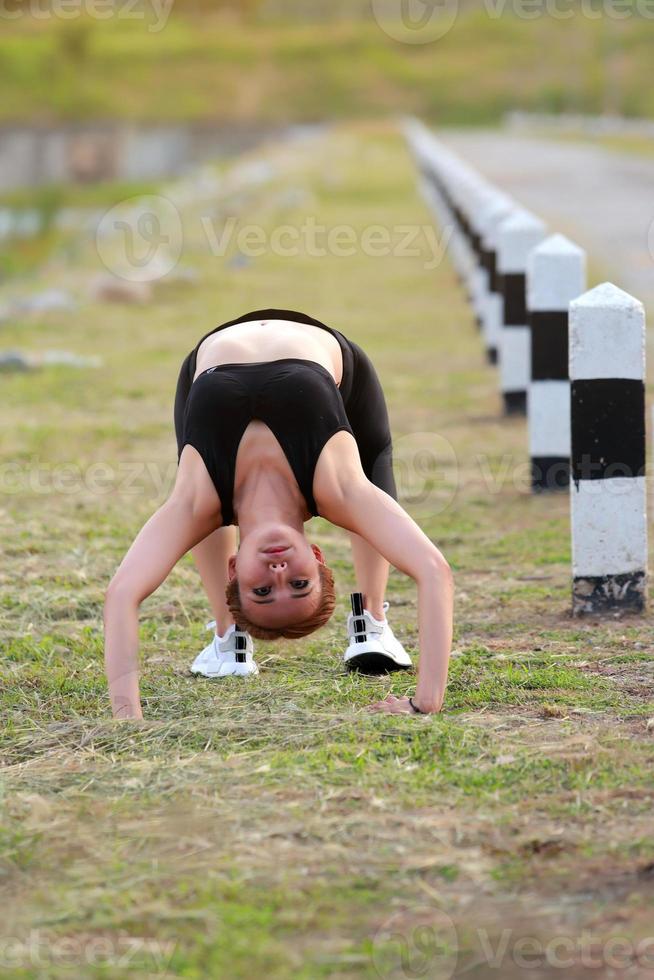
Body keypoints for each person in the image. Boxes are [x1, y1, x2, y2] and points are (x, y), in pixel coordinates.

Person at [103, 310, 454, 720]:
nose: (279, 572)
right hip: (339, 365)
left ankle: (227, 632)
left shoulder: (197, 503)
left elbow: (122, 594)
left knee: (197, 506)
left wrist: (127, 719)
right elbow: (434, 571)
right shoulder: (338, 490)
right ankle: (372, 616)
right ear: (318, 558)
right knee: (374, 479)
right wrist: (426, 701)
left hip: (209, 358)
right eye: (300, 583)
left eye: (263, 591)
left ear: (233, 571)